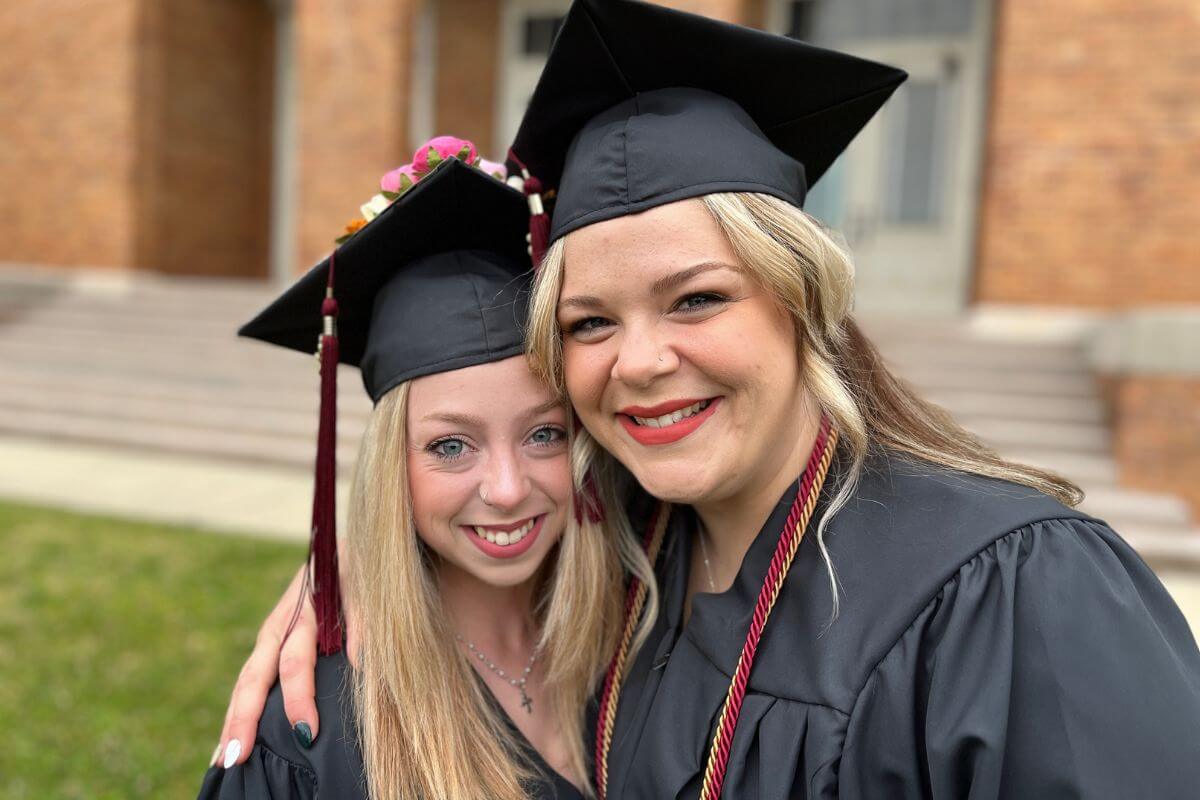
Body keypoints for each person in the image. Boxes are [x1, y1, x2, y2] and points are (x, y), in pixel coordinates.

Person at [220, 2, 1200, 797]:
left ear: (800, 301)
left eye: (698, 297)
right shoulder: (635, 561)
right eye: (591, 322)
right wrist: (358, 570)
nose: (642, 361)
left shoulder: (1013, 589)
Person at [200, 152, 651, 800]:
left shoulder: (645, 627)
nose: (506, 488)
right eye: (450, 446)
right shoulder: (318, 731)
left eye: (544, 433)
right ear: (392, 468)